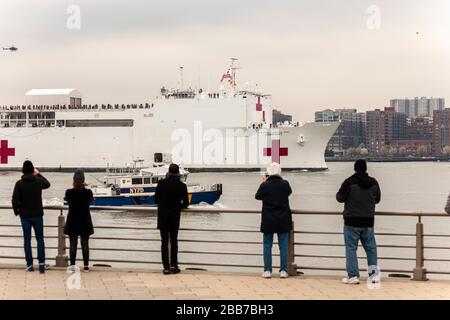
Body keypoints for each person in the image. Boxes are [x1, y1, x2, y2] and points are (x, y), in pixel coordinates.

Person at [336, 159, 381, 285]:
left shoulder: (349, 182)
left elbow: (340, 197)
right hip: (368, 221)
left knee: (351, 249)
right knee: (371, 249)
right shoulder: (374, 182)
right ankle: (374, 276)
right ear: (366, 168)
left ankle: (353, 276)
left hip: (351, 221)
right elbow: (377, 199)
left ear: (355, 168)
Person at [12, 160, 51, 273]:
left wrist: (16, 212)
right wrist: (38, 174)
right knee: (40, 240)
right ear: (32, 169)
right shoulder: (38, 181)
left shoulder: (19, 183)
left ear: (23, 170)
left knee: (27, 240)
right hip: (38, 215)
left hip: (25, 216)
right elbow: (48, 184)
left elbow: (14, 200)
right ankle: (42, 264)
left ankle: (29, 265)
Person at [255, 162, 292, 279]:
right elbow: (289, 192)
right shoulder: (285, 184)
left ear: (268, 172)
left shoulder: (265, 185)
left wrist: (264, 182)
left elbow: (257, 196)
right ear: (280, 172)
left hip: (268, 220)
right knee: (283, 246)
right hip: (283, 219)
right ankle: (283, 270)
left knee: (267, 246)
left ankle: (267, 270)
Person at [154, 163, 189, 275]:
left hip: (163, 217)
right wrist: (177, 207)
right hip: (174, 217)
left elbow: (156, 200)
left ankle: (166, 267)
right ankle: (174, 265)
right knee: (174, 241)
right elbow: (186, 204)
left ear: (168, 172)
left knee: (164, 242)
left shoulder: (161, 183)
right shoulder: (182, 186)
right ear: (178, 173)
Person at [64, 169, 94, 273]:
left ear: (73, 180)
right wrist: (84, 186)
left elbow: (66, 200)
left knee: (73, 244)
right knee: (85, 244)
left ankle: (72, 267)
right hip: (85, 221)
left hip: (73, 221)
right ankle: (85, 267)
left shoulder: (69, 192)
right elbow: (90, 200)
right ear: (83, 180)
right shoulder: (88, 193)